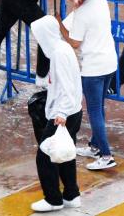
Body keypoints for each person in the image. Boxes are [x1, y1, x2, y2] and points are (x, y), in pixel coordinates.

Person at [57, 0, 118, 171]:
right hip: (109, 63)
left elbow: (75, 42)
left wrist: (60, 23)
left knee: (94, 111)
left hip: (93, 68)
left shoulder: (82, 12)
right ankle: (95, 146)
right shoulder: (101, 1)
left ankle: (106, 156)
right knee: (99, 107)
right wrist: (78, 10)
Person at [29, 15, 83, 212]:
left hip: (63, 113)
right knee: (66, 153)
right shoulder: (62, 48)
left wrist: (60, 113)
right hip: (73, 110)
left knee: (44, 154)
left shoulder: (59, 54)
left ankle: (53, 199)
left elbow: (66, 86)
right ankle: (71, 194)